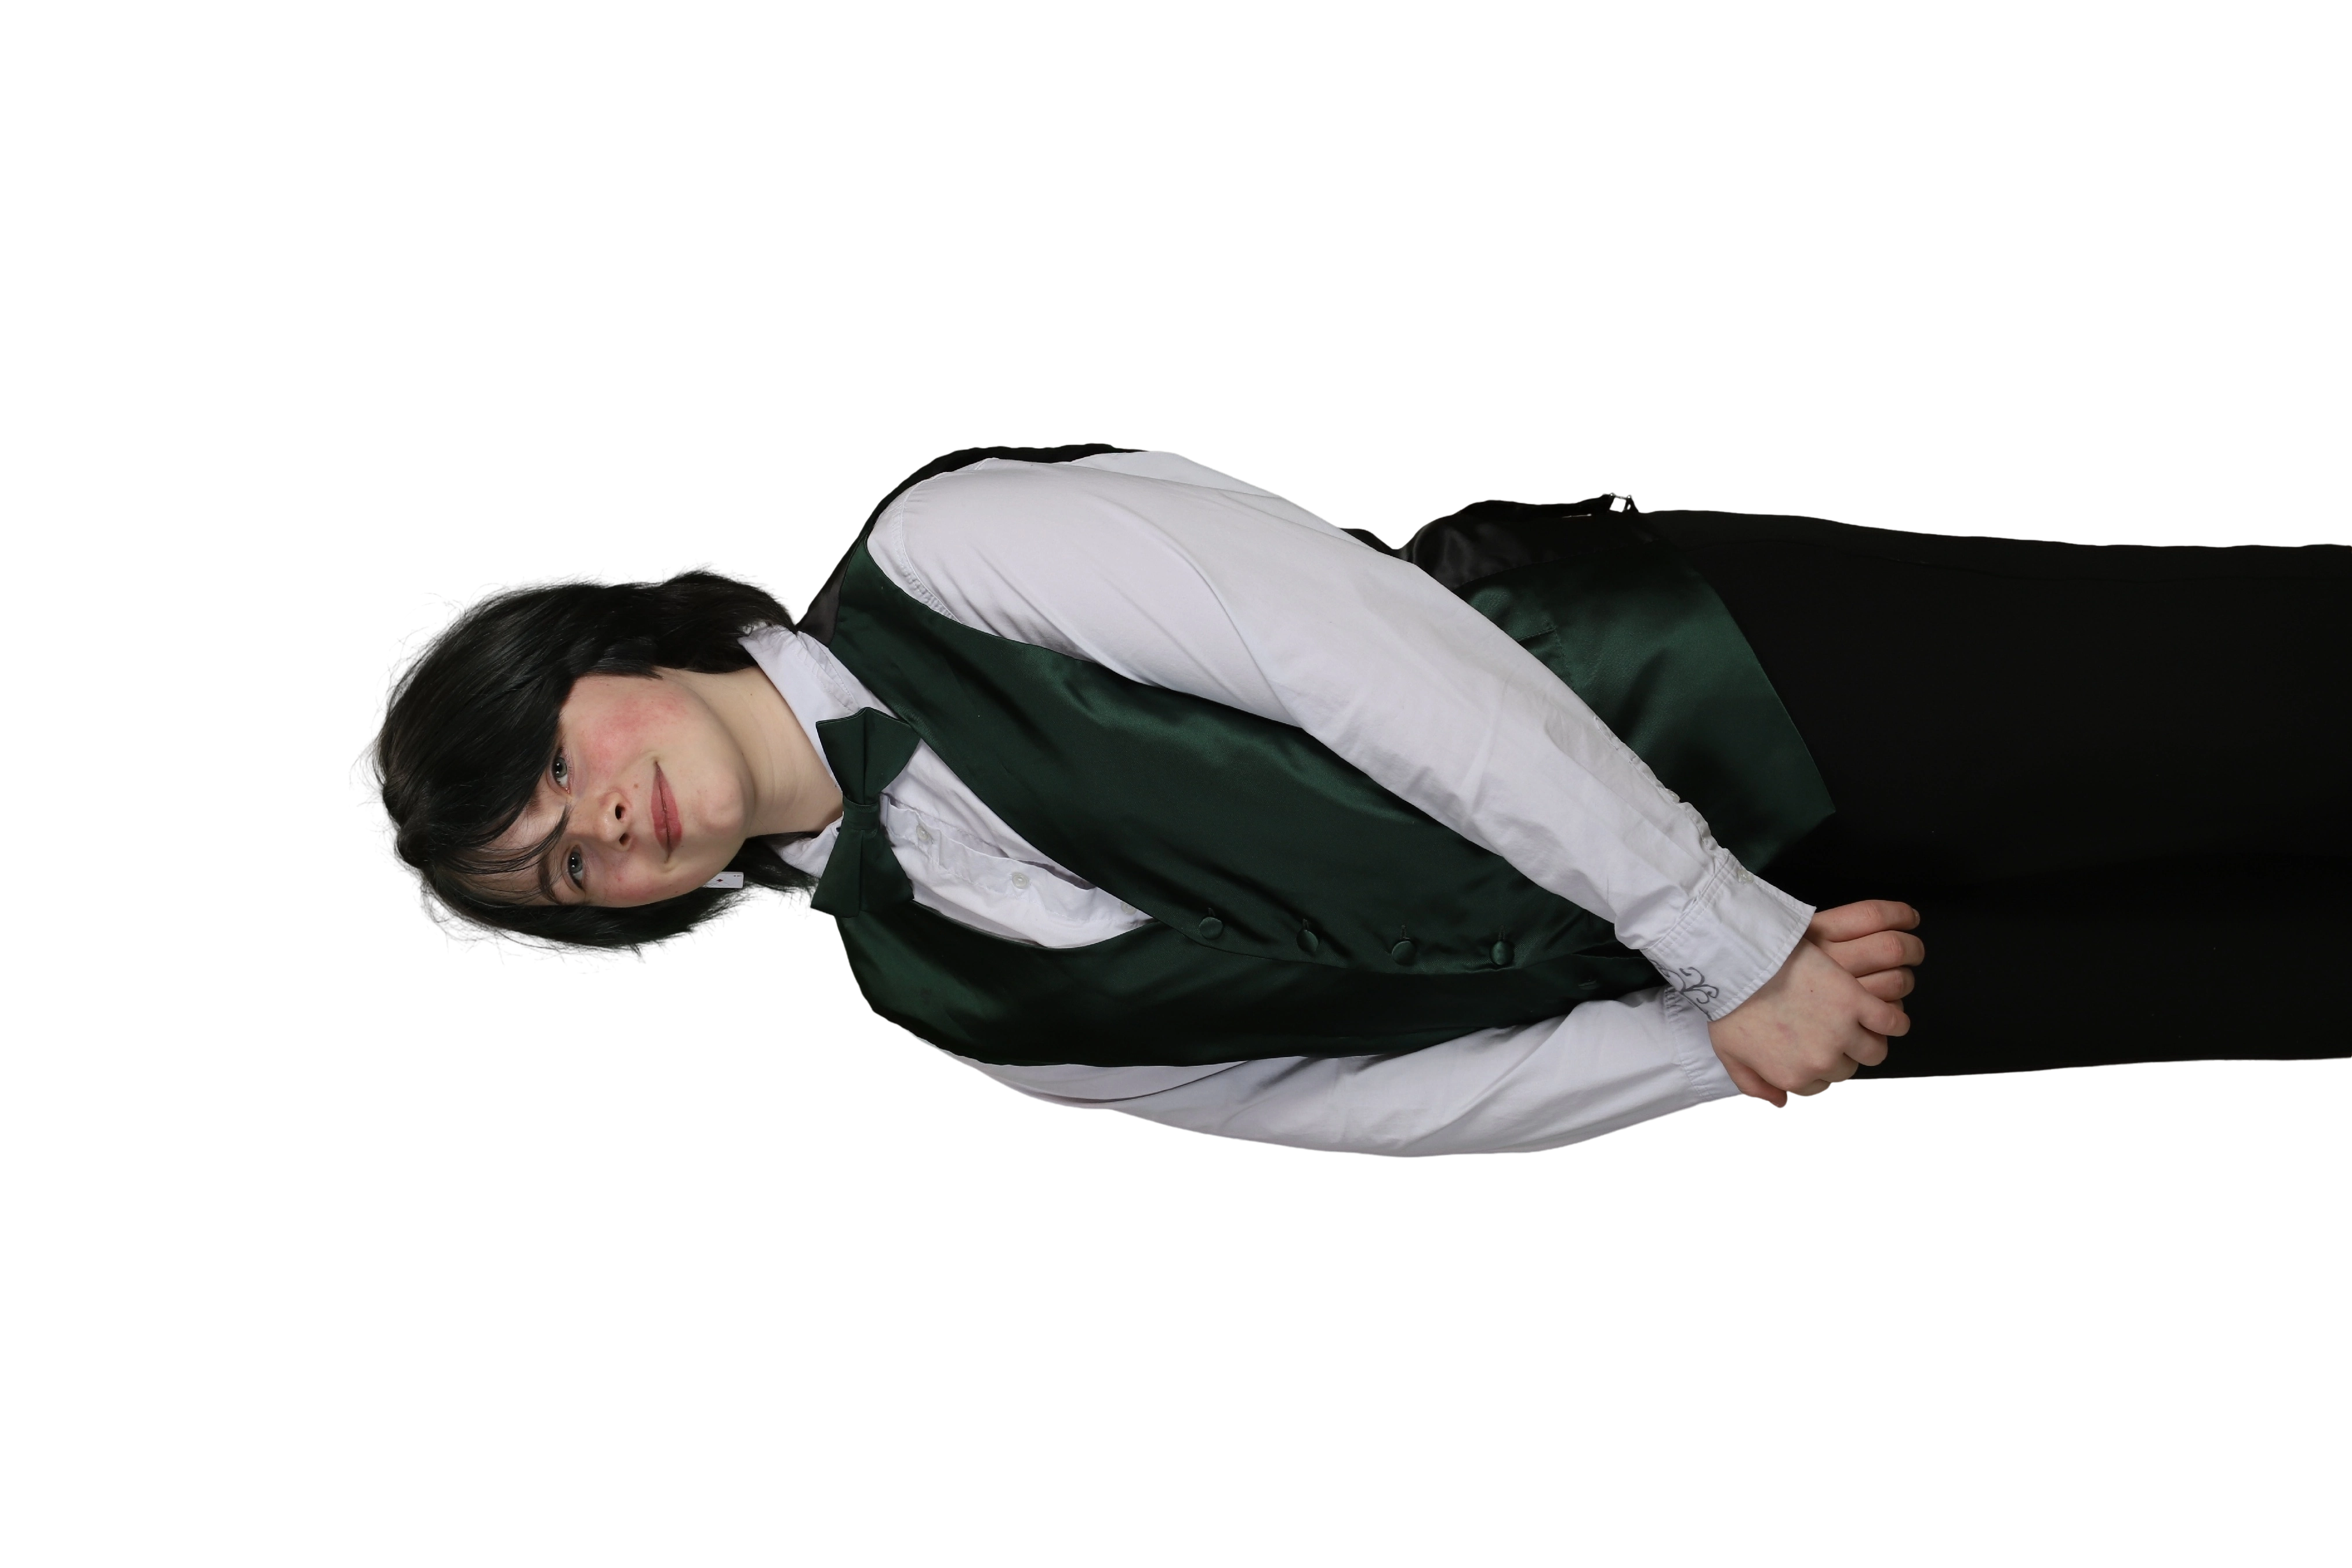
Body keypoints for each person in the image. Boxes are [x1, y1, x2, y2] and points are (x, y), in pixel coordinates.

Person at [349, 444, 2352, 1157]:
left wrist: (1723, 937)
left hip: (1758, 688)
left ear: (600, 644)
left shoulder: (954, 549)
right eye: (559, 868)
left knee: (2288, 709)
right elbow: (1354, 1103)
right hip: (1787, 996)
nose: (599, 825)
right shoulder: (949, 1008)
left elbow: (1373, 662)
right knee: (2282, 976)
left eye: (556, 763)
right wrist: (1705, 1040)